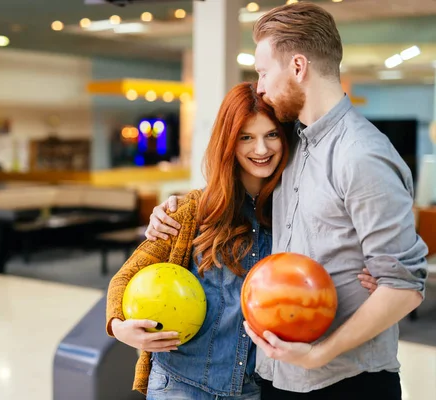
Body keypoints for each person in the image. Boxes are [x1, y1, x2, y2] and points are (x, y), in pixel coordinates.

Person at [144, 3, 428, 400]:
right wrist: (176, 207)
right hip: (277, 379)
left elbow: (404, 286)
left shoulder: (360, 154)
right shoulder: (294, 145)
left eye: (262, 72)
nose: (258, 86)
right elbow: (238, 187)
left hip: (343, 380)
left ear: (297, 67)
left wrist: (318, 354)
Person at [106, 82, 376, 400]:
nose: (260, 150)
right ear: (229, 143)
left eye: (271, 135)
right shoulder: (191, 210)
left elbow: (330, 274)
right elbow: (126, 276)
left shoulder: (299, 214)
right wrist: (119, 327)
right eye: (246, 137)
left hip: (256, 390)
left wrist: (369, 279)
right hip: (180, 385)